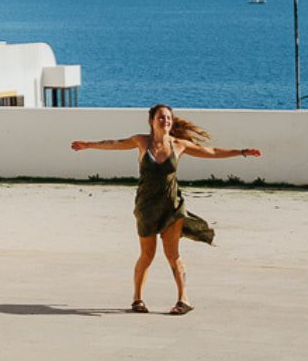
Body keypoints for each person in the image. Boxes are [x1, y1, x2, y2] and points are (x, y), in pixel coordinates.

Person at [70, 104, 262, 315]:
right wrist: (88, 145)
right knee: (147, 255)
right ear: (152, 121)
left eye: (168, 118)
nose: (166, 121)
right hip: (146, 208)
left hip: (172, 207)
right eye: (161, 118)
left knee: (173, 254)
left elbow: (212, 151)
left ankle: (184, 299)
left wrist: (242, 152)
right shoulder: (141, 141)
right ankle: (137, 299)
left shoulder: (179, 145)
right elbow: (114, 144)